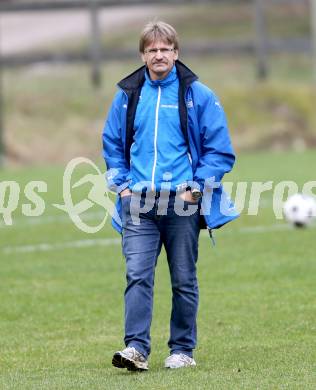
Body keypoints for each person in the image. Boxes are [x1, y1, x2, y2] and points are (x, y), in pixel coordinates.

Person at [102, 21, 238, 371]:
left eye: (165, 49)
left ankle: (182, 350)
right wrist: (123, 184)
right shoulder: (128, 95)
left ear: (176, 53)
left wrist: (197, 187)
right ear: (143, 55)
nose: (159, 55)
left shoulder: (198, 95)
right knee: (137, 275)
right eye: (152, 50)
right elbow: (113, 144)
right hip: (139, 204)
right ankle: (135, 349)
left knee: (183, 278)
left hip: (182, 203)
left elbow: (219, 150)